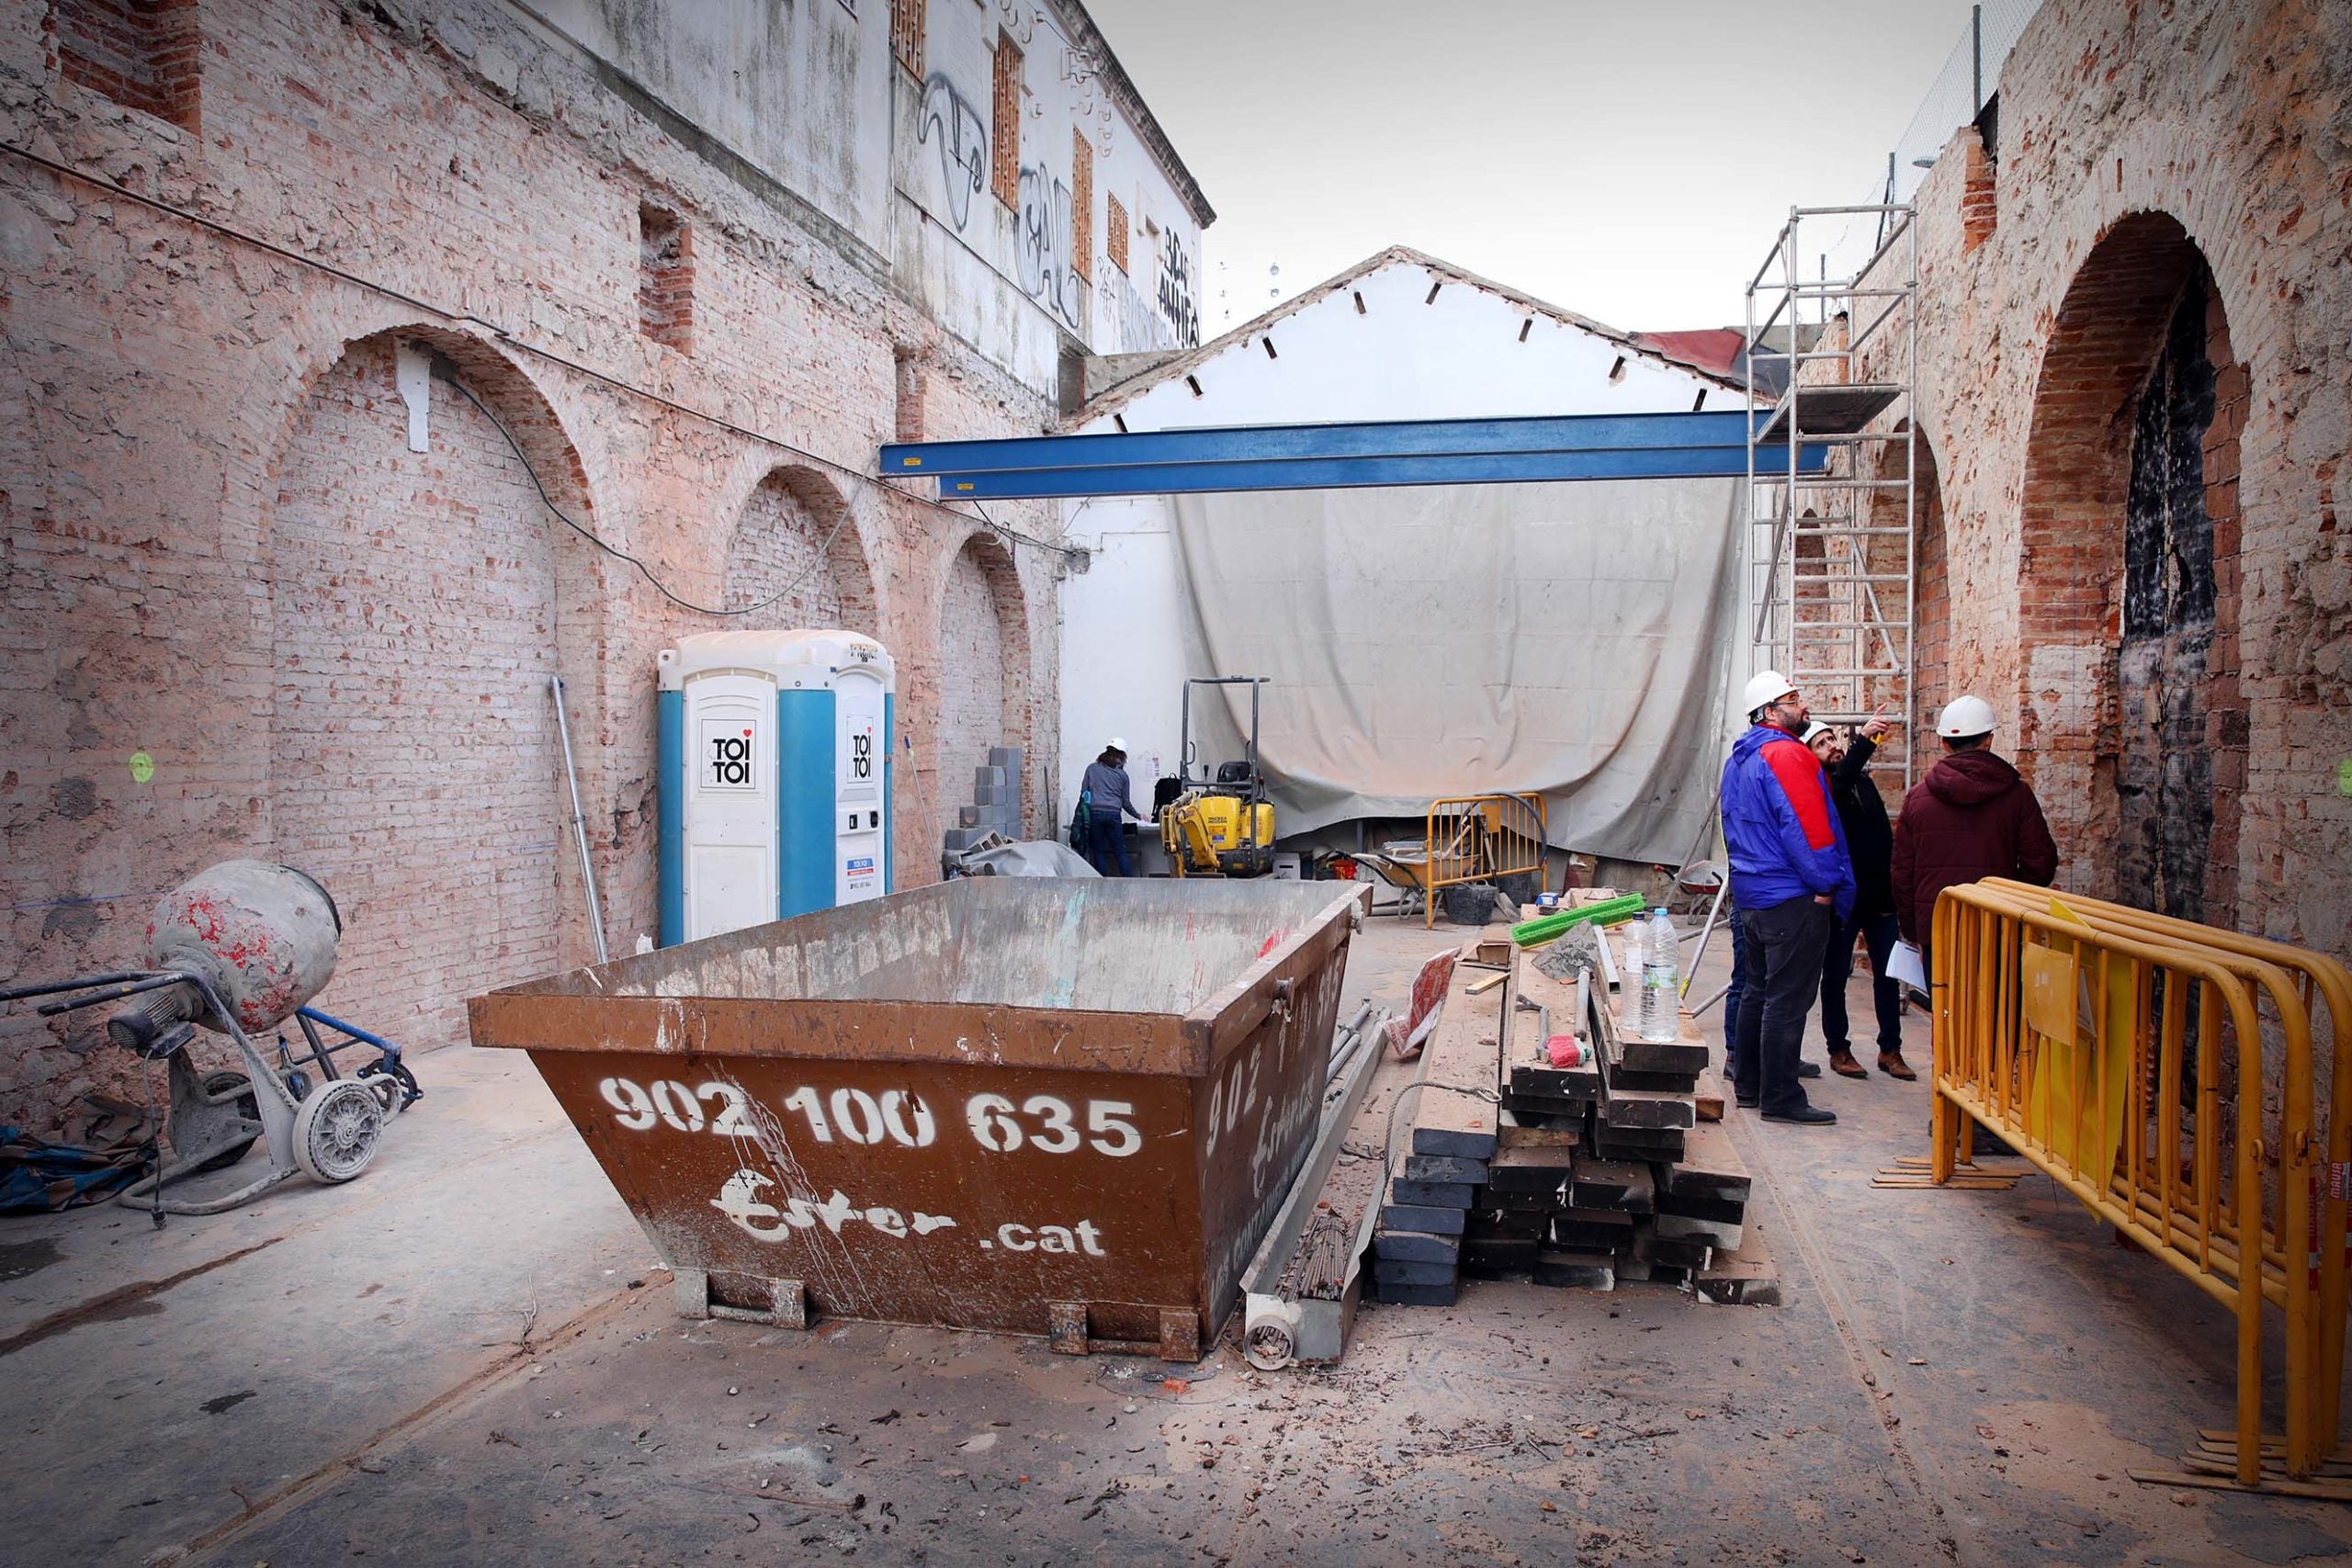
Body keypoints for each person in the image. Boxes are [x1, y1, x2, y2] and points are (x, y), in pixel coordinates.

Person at [1721, 671, 1855, 1126]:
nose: (1804, 707)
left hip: (1754, 895)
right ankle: (1781, 1096)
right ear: (1770, 712)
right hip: (1790, 897)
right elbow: (1809, 831)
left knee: (1758, 990)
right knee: (1786, 999)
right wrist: (1825, 885)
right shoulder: (1787, 755)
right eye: (1793, 700)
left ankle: (1749, 1085)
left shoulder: (1740, 758)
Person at [1890, 695, 2060, 976]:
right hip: (1997, 924)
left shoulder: (1918, 799)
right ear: (1989, 740)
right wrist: (2012, 901)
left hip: (1938, 927)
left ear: (1944, 743)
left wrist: (1915, 931)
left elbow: (1902, 873)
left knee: (1945, 1015)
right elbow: (2040, 863)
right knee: (1995, 1013)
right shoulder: (2017, 796)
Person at [1806, 717, 1914, 1081]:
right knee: (1836, 974)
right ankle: (1838, 1048)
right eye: (1821, 744)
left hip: (1879, 895)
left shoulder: (1861, 782)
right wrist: (1865, 741)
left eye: (1831, 739)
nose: (1831, 746)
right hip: (1844, 898)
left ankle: (1890, 1049)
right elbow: (1843, 777)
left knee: (1887, 973)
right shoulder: (1824, 786)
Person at [1080, 739, 1145, 877]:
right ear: (1121, 756)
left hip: (1095, 813)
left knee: (1098, 851)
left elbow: (1084, 793)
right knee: (1120, 851)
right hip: (1114, 815)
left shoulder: (1091, 768)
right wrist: (1138, 816)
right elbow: (1125, 802)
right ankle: (1129, 884)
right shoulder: (1123, 776)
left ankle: (1103, 886)